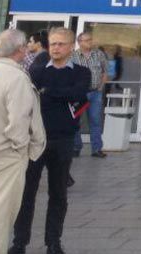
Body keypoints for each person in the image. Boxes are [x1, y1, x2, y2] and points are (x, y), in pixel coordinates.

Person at [11, 27, 90, 254]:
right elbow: (29, 98)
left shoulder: (81, 72)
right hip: (35, 139)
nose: (55, 48)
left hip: (63, 140)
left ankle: (53, 242)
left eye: (61, 44)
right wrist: (60, 93)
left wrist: (47, 92)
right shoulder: (36, 71)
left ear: (71, 47)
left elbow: (78, 94)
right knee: (26, 194)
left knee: (58, 194)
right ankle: (19, 242)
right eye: (53, 43)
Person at [0, 30, 45, 254]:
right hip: (6, 157)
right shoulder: (17, 78)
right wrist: (22, 149)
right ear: (20, 49)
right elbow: (18, 122)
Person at [71, 31, 108, 158]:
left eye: (90, 39)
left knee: (95, 121)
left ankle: (96, 149)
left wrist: (101, 87)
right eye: (86, 40)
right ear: (79, 42)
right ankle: (76, 147)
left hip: (95, 93)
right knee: (76, 121)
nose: (90, 42)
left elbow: (105, 71)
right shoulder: (73, 56)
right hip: (80, 94)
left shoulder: (98, 54)